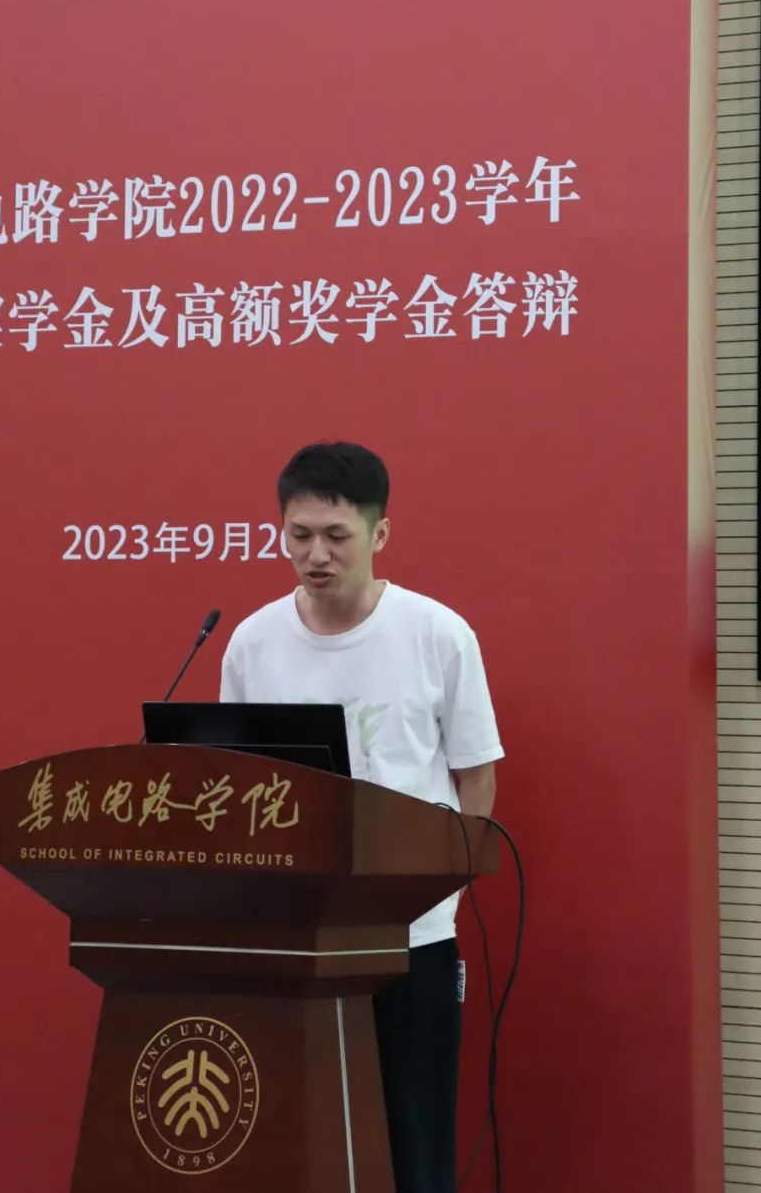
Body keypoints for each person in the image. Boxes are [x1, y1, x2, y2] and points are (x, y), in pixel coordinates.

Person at [219, 441, 503, 1193]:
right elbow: (236, 785)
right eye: (299, 535)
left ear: (380, 534)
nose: (316, 555)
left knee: (414, 1143)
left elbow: (476, 775)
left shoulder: (436, 633)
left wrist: (444, 886)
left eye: (336, 536)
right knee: (301, 1142)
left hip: (409, 933)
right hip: (295, 932)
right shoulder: (252, 642)